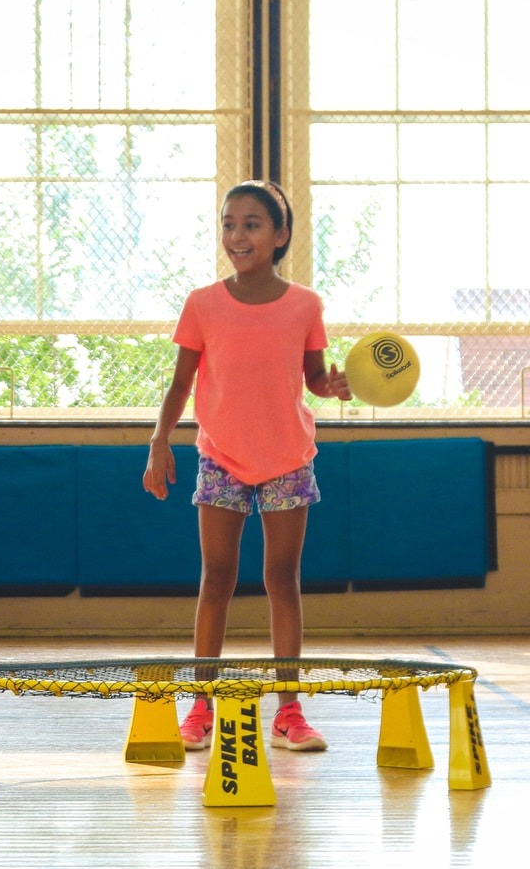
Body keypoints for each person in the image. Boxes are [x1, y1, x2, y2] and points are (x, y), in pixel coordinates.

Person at [143, 179, 352, 753]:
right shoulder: (203, 303)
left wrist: (330, 385)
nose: (237, 235)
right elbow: (181, 383)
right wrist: (160, 441)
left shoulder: (306, 304)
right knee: (216, 580)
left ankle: (288, 711)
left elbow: (311, 377)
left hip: (287, 459)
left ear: (280, 234)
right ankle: (200, 708)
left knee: (282, 581)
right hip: (221, 459)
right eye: (229, 223)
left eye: (252, 224)